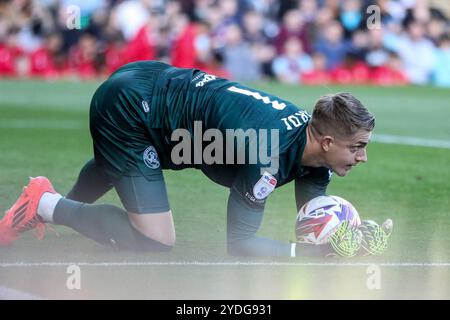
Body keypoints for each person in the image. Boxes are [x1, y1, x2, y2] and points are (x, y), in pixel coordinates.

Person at [0, 60, 374, 257]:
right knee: (156, 241)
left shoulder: (313, 155)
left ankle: (59, 211)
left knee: (120, 163)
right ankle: (44, 204)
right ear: (326, 141)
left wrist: (345, 238)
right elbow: (240, 244)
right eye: (357, 146)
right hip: (134, 108)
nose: (363, 157)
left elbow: (313, 218)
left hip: (154, 87)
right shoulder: (269, 153)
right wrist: (311, 256)